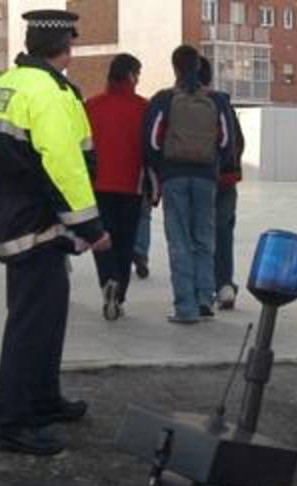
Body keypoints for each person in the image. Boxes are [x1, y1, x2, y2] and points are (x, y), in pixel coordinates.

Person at [0, 9, 111, 456]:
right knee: (31, 323)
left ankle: (43, 399)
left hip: (17, 217)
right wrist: (91, 226)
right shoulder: (47, 92)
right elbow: (62, 162)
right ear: (67, 47)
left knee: (45, 316)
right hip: (36, 222)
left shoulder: (7, 84)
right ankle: (13, 423)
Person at [143, 44, 234, 323]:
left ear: (175, 67)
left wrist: (160, 171)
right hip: (206, 177)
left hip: (174, 177)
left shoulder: (163, 99)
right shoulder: (217, 100)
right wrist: (213, 164)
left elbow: (151, 142)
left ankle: (185, 307)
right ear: (198, 66)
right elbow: (227, 142)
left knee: (179, 241)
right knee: (205, 240)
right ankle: (205, 301)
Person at [85, 53, 148, 321]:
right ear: (131, 75)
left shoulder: (92, 105)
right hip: (131, 186)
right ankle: (119, 293)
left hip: (98, 185)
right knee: (125, 241)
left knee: (101, 240)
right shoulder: (143, 107)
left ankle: (106, 281)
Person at [198, 57, 245, 310]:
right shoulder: (222, 102)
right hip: (225, 179)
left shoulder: (176, 100)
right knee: (223, 230)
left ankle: (201, 289)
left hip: (194, 177)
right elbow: (237, 141)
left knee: (197, 234)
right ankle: (224, 284)